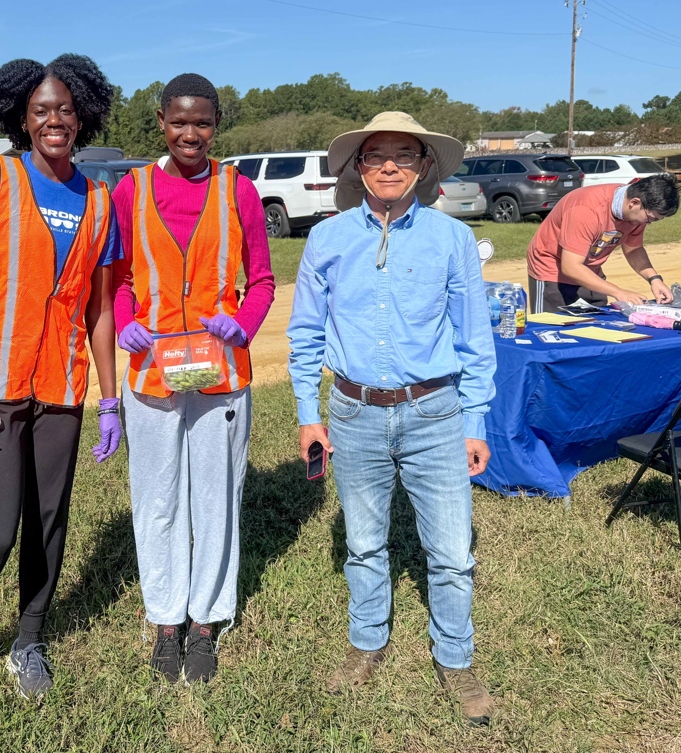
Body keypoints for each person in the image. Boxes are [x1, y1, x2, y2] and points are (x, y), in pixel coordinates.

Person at [287, 111, 497, 725]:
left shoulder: (451, 239)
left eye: (403, 155)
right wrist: (308, 414)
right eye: (375, 155)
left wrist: (475, 421)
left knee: (453, 551)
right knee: (363, 542)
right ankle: (367, 642)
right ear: (357, 166)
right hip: (353, 413)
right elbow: (304, 333)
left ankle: (455, 657)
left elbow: (474, 336)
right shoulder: (327, 239)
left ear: (423, 166)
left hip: (436, 413)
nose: (388, 165)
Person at [0, 54, 122, 705]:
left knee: (48, 520)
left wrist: (110, 396)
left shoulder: (98, 200)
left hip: (63, 388)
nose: (54, 120)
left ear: (83, 114)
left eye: (65, 109)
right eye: (41, 110)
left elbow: (100, 309)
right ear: (21, 117)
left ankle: (28, 638)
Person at [111, 73, 275, 685]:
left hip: (221, 373)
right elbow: (121, 279)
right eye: (179, 122)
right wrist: (127, 322)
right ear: (161, 122)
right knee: (156, 499)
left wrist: (242, 325)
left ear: (215, 126)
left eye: (202, 123)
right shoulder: (131, 191)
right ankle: (164, 618)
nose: (190, 134)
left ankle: (205, 621)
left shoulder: (240, 191)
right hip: (151, 372)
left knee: (215, 498)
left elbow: (260, 281)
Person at [526, 173, 679, 313]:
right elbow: (571, 267)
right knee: (550, 331)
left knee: (595, 329)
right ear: (634, 202)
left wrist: (654, 279)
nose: (650, 223)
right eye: (651, 218)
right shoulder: (586, 209)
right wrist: (619, 292)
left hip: (591, 272)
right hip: (553, 273)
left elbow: (634, 249)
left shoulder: (636, 213)